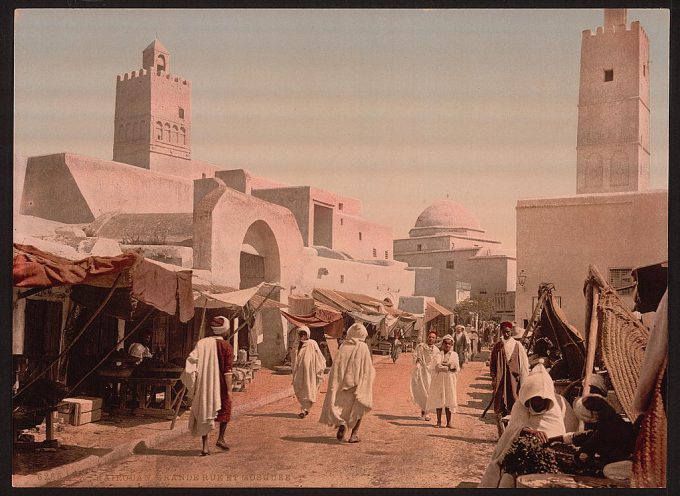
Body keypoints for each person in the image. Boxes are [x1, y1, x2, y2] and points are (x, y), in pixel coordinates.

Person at [479, 361, 579, 488]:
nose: (540, 403)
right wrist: (530, 432)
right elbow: (511, 432)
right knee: (507, 474)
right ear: (529, 397)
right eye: (536, 399)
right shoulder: (519, 407)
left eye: (544, 400)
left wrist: (547, 442)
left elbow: (559, 433)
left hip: (548, 456)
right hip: (521, 453)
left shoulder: (554, 408)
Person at [180, 316, 233, 456]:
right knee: (225, 411)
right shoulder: (227, 346)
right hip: (221, 385)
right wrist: (229, 390)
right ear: (225, 331)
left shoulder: (202, 343)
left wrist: (193, 379)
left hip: (206, 384)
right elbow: (228, 371)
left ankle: (205, 446)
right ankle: (221, 438)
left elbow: (191, 361)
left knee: (205, 411)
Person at [319, 322, 375, 443]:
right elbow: (367, 368)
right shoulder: (363, 347)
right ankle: (353, 435)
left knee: (343, 408)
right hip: (356, 385)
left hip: (341, 384)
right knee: (358, 409)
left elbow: (336, 367)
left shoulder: (343, 346)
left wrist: (335, 383)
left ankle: (342, 425)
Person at [489, 321, 529, 435]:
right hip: (501, 381)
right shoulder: (497, 346)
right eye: (504, 332)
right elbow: (492, 364)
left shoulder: (518, 345)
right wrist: (493, 378)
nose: (506, 334)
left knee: (514, 403)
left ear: (511, 331)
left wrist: (523, 381)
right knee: (500, 405)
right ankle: (502, 433)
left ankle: (513, 433)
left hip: (514, 381)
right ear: (501, 332)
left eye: (508, 332)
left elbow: (524, 365)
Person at [425, 334, 460, 428]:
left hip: (449, 380)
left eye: (449, 344)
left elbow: (455, 367)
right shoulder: (438, 354)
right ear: (443, 344)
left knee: (449, 399)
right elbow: (437, 367)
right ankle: (439, 422)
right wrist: (447, 366)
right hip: (439, 380)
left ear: (451, 345)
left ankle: (449, 422)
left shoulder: (454, 355)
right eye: (445, 344)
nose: (447, 346)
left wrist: (446, 366)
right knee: (439, 399)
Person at [292, 326, 326, 418]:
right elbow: (294, 358)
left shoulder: (312, 343)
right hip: (300, 372)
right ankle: (305, 409)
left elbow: (319, 356)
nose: (303, 336)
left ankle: (305, 410)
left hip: (311, 372)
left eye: (304, 334)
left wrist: (320, 366)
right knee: (300, 388)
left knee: (309, 390)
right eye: (301, 334)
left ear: (308, 334)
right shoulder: (297, 344)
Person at [410, 330, 439, 421]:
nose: (431, 339)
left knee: (429, 392)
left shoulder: (436, 350)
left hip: (431, 373)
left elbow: (437, 361)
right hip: (422, 372)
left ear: (435, 339)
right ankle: (423, 413)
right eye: (430, 337)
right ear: (427, 337)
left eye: (433, 338)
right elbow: (416, 356)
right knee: (423, 392)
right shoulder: (421, 347)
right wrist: (417, 360)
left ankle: (427, 413)